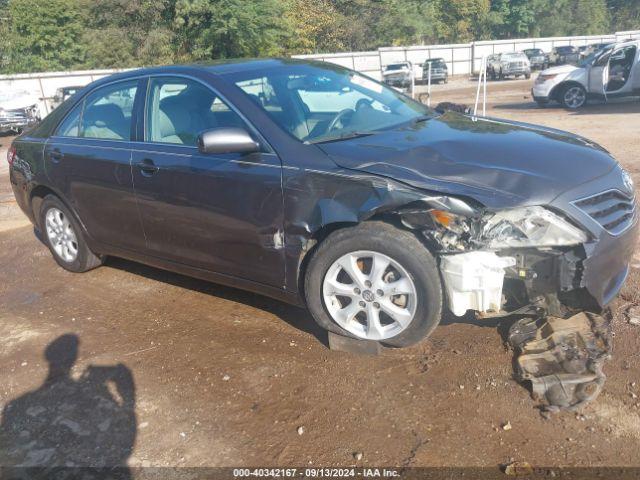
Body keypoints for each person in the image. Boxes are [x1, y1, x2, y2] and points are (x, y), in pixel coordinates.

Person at [0, 334, 136, 479]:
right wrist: (128, 401)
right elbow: (123, 443)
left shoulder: (17, 406)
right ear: (73, 358)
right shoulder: (95, 403)